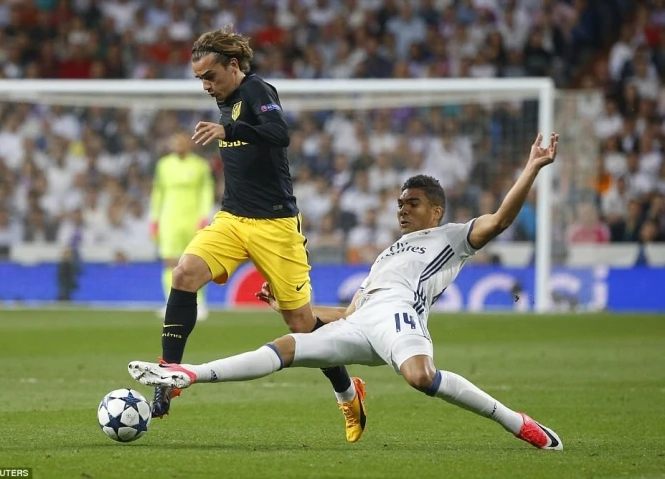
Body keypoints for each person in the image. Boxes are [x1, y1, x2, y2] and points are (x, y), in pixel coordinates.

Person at [129, 133, 563, 450]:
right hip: (363, 323)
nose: (402, 209)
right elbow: (350, 312)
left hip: (399, 318)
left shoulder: (452, 237)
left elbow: (501, 220)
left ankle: (517, 422)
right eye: (400, 203)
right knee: (288, 345)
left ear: (436, 210)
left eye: (412, 203)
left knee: (420, 377)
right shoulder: (388, 253)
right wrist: (288, 306)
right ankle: (189, 374)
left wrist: (532, 168)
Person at [152, 25, 366, 443]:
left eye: (210, 76)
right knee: (184, 274)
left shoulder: (256, 90)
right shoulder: (224, 98)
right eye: (199, 79)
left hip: (275, 225)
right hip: (232, 219)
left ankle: (347, 392)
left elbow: (280, 134)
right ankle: (168, 375)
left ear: (233, 65)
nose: (205, 85)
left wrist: (229, 131)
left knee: (302, 325)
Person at [150, 132, 214, 321]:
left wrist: (204, 215)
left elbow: (206, 191)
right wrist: (154, 218)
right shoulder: (163, 165)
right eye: (174, 142)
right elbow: (158, 192)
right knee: (170, 262)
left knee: (197, 262)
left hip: (193, 219)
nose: (177, 145)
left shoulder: (200, 165)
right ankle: (171, 303)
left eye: (181, 142)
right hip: (169, 219)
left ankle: (198, 303)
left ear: (189, 144)